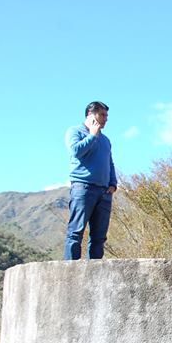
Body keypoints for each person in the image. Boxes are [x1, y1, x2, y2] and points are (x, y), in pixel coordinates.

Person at [64, 101, 117, 260]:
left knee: (99, 237)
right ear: (91, 115)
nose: (106, 119)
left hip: (104, 191)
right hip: (83, 187)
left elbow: (109, 162)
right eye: (102, 115)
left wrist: (113, 184)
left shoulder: (106, 140)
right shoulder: (75, 131)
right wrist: (92, 135)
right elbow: (76, 151)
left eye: (107, 116)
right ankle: (71, 268)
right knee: (76, 232)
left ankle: (95, 269)